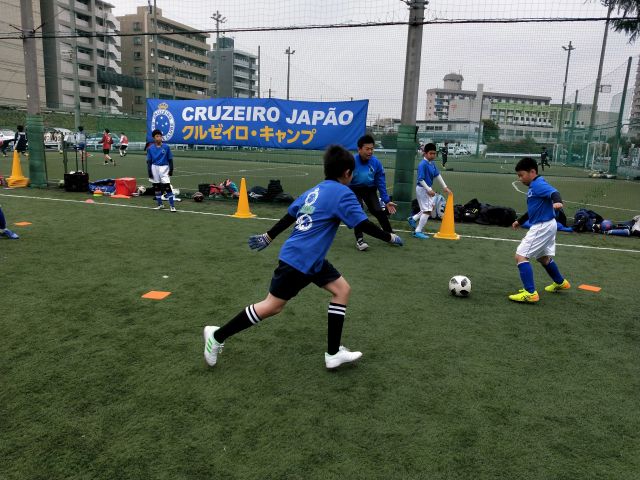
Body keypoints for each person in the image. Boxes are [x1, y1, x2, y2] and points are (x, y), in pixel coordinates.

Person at [203, 145, 404, 369]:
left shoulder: (314, 190)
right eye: (353, 172)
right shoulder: (343, 193)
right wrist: (390, 237)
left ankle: (333, 353)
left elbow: (290, 215)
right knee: (272, 306)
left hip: (312, 259)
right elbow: (363, 224)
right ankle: (217, 335)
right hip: (300, 260)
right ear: (347, 173)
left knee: (342, 290)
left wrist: (269, 236)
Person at [509, 157, 570, 303]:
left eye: (521, 175)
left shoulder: (538, 184)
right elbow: (533, 210)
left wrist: (558, 202)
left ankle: (530, 293)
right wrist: (520, 220)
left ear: (532, 172)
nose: (520, 179)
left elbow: (554, 192)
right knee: (543, 258)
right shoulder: (534, 187)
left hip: (542, 226)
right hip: (548, 224)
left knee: (520, 256)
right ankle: (561, 282)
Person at [348, 134, 396, 251]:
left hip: (370, 190)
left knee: (378, 211)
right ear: (359, 149)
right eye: (367, 149)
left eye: (372, 149)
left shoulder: (376, 163)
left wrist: (387, 200)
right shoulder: (351, 162)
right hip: (354, 189)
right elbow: (344, 180)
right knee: (358, 212)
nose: (370, 151)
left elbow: (380, 182)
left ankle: (390, 235)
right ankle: (360, 240)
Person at [407, 143, 452, 239]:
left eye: (434, 153)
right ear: (425, 153)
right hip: (423, 189)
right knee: (427, 211)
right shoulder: (422, 164)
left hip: (426, 189)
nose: (433, 155)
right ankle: (417, 231)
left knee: (428, 208)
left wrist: (445, 186)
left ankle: (413, 219)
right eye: (431, 153)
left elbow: (437, 175)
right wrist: (429, 189)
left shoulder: (432, 163)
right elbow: (420, 179)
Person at [146, 129, 176, 212]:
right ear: (153, 138)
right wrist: (149, 172)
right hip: (154, 167)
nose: (159, 138)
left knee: (167, 186)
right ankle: (160, 204)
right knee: (156, 187)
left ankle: (172, 206)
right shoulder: (150, 148)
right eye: (157, 136)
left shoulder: (166, 147)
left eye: (160, 136)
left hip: (164, 167)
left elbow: (170, 159)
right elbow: (149, 161)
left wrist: (171, 169)